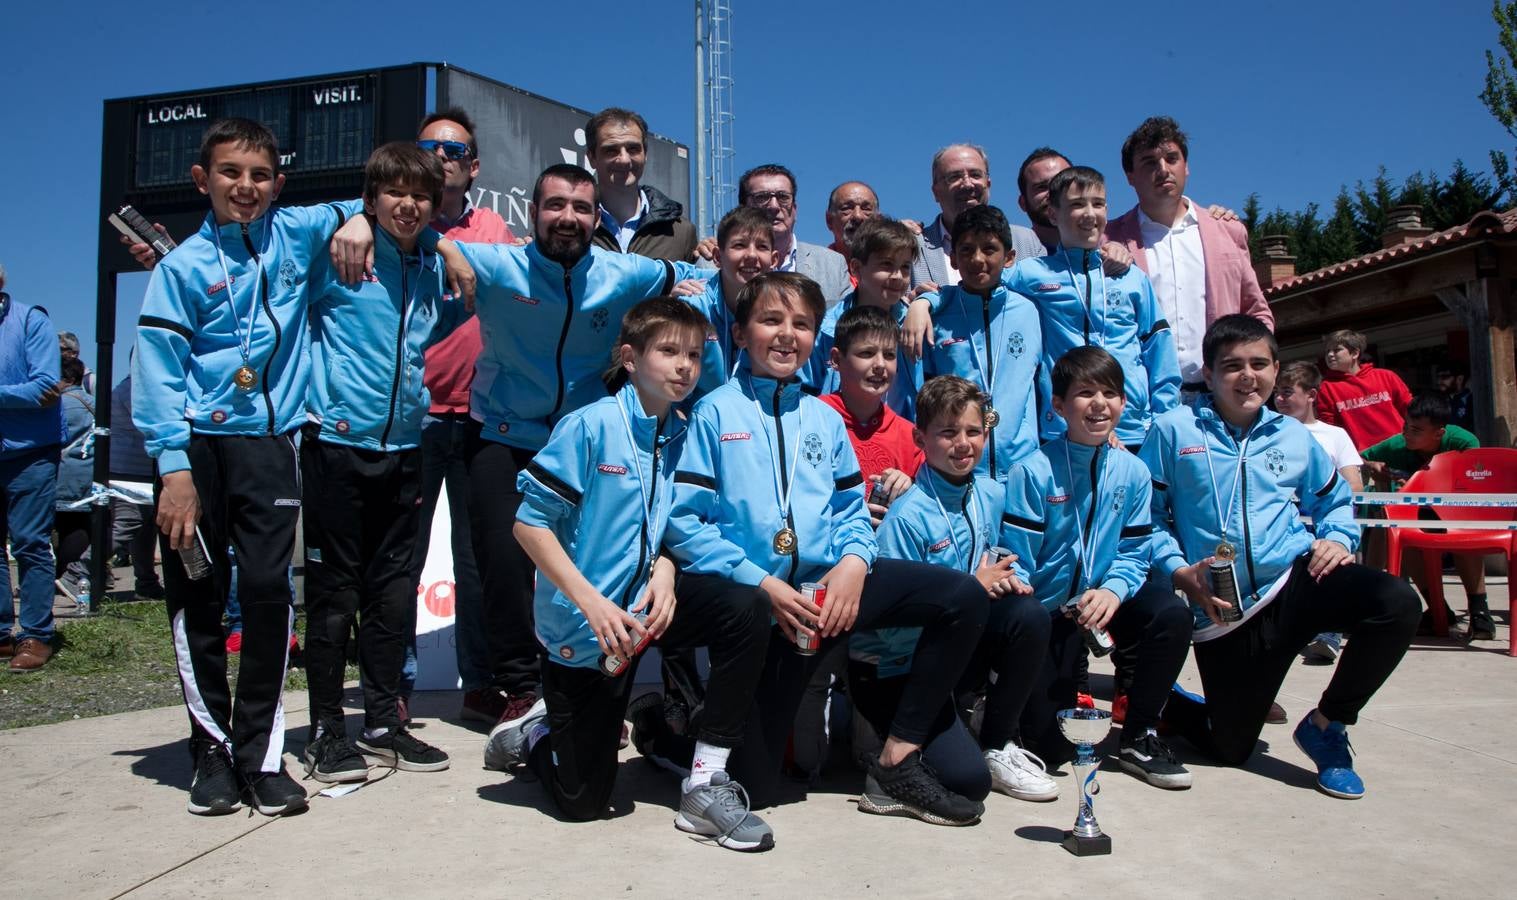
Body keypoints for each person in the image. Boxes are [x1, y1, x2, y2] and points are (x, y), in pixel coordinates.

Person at [132, 118, 451, 816]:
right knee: (199, 600)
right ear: (202, 180)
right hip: (197, 447)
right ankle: (211, 750)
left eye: (259, 175)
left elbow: (384, 210)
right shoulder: (183, 267)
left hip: (272, 443)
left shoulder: (298, 231)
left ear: (278, 183)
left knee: (270, 599)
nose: (245, 187)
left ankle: (261, 754)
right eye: (230, 173)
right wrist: (172, 465)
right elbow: (156, 369)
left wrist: (423, 238)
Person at [332, 164, 706, 739]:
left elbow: (699, 275)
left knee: (588, 561)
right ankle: (521, 689)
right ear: (532, 214)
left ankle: (583, 678)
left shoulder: (623, 272)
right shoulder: (497, 263)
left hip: (582, 443)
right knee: (502, 565)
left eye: (581, 208)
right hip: (503, 436)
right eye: (555, 205)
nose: (568, 218)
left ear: (596, 219)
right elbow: (406, 229)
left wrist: (703, 269)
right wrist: (362, 219)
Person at [662, 271, 990, 826]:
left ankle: (897, 758)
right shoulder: (714, 411)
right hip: (765, 607)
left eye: (801, 324)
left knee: (962, 597)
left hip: (828, 595)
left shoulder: (822, 417)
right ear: (740, 334)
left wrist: (855, 563)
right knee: (758, 787)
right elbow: (685, 523)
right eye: (770, 320)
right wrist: (763, 584)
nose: (786, 334)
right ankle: (667, 734)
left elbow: (848, 512)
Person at [484, 297, 774, 850]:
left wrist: (665, 569)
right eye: (668, 351)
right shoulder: (589, 426)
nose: (684, 366)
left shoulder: (686, 431)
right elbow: (528, 526)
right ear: (630, 357)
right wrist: (592, 603)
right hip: (588, 625)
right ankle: (537, 735)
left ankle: (704, 774)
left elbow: (676, 521)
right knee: (583, 803)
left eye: (694, 354)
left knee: (745, 607)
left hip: (648, 609)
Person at [1142, 314, 1420, 799]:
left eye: (1259, 364)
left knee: (1396, 602)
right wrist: (1179, 570)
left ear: (1275, 370)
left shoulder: (1293, 435)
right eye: (1232, 366)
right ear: (1208, 374)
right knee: (1230, 748)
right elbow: (1147, 516)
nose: (1247, 376)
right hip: (1226, 608)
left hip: (1294, 580)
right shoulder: (1172, 430)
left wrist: (1338, 538)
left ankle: (1327, 725)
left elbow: (1333, 500)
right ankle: (1178, 706)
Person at [299, 143, 466, 783]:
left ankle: (381, 722)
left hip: (403, 449)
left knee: (392, 596)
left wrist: (445, 245)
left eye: (421, 195)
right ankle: (324, 731)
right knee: (334, 596)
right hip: (336, 445)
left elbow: (437, 326)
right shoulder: (340, 253)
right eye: (394, 192)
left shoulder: (427, 266)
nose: (409, 204)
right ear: (371, 198)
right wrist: (352, 217)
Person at [1003, 347, 1194, 789]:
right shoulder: (1033, 471)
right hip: (1052, 611)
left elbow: (1135, 551)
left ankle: (1139, 735)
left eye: (1110, 394)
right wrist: (1038, 615)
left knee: (1171, 613)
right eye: (1085, 393)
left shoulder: (1134, 472)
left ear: (1124, 402)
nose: (1099, 404)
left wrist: (1113, 590)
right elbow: (1018, 560)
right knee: (1053, 750)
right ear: (1058, 405)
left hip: (1107, 601)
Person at [861, 375, 1051, 803]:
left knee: (1029, 615)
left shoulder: (991, 493)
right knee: (967, 782)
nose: (963, 444)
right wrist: (970, 590)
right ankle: (886, 737)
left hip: (964, 650)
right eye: (948, 432)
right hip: (912, 667)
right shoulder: (906, 517)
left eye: (973, 431)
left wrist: (1009, 578)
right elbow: (890, 628)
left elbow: (1007, 556)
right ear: (920, 438)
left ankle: (997, 742)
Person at [411, 108, 516, 725]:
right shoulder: (395, 224)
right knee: (402, 557)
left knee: (479, 562)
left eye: (455, 151)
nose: (443, 158)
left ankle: (483, 684)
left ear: (473, 166)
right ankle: (392, 688)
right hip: (413, 418)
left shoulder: (495, 228)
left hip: (481, 417)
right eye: (431, 147)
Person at [1004, 166, 1180, 448]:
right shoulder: (1031, 274)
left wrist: (1166, 418)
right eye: (1077, 205)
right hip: (1063, 429)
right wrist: (931, 300)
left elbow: (1158, 347)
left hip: (1132, 428)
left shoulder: (1132, 277)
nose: (1089, 213)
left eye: (1097, 204)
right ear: (1053, 214)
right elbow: (978, 286)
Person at [1104, 116, 1274, 396]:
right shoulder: (1107, 240)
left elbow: (1256, 312)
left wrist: (1252, 367)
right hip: (1142, 397)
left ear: (1186, 167)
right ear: (1130, 176)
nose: (1163, 170)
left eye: (1172, 159)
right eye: (1149, 162)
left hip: (1222, 397)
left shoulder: (1228, 231)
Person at [919, 205, 1044, 480]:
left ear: (1009, 257)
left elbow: (1044, 382)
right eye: (966, 250)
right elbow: (921, 391)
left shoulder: (1029, 311)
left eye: (989, 249)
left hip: (1021, 467)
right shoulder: (938, 315)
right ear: (953, 258)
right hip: (958, 468)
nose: (977, 259)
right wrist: (922, 302)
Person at [1360, 393, 1492, 640]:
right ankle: (1439, 610)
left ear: (1439, 433)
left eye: (1416, 430)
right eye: (1405, 426)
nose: (1407, 433)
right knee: (1404, 538)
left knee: (1464, 535)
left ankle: (1479, 612)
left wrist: (1422, 482)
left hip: (1463, 515)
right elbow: (1359, 457)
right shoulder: (1398, 445)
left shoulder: (1464, 442)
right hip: (1422, 517)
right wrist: (1372, 466)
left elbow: (1475, 483)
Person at [1274, 361, 1365, 663]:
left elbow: (1353, 484)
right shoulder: (1267, 433)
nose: (1280, 399)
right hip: (1282, 529)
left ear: (1311, 395)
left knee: (1331, 559)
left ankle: (1328, 634)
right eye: (1277, 392)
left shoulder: (1334, 435)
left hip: (1321, 524)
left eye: (1287, 392)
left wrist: (1318, 497)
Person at [1, 262, 63, 672]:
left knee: (29, 542)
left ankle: (36, 635)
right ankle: (1, 635)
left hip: (31, 452)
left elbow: (46, 387)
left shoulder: (30, 321)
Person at [811, 217, 926, 415]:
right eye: (886, 264)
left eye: (905, 267)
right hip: (841, 431)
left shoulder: (916, 324)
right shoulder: (826, 329)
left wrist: (927, 301)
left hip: (902, 431)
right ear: (856, 268)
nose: (897, 276)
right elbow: (807, 389)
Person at [820, 305, 923, 522]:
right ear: (836, 360)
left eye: (889, 355)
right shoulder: (813, 419)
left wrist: (911, 490)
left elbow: (930, 506)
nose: (880, 365)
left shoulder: (910, 436)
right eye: (866, 353)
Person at [913, 144, 1045, 290]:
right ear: (936, 192)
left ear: (988, 184)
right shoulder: (912, 247)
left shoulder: (1026, 242)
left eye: (975, 175)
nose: (967, 184)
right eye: (954, 177)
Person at [685, 206, 776, 403]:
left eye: (762, 247)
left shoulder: (782, 315)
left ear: (774, 260)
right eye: (739, 245)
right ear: (718, 257)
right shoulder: (691, 310)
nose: (751, 255)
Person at [585, 108, 697, 261]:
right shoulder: (573, 225)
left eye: (633, 149)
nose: (624, 160)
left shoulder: (681, 232)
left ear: (645, 154)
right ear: (591, 158)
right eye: (611, 150)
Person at [737, 165, 851, 304]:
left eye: (783, 197)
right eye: (762, 197)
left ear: (795, 210)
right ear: (742, 209)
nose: (774, 206)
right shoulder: (719, 266)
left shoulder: (832, 264)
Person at [108, 369, 165, 602]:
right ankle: (80, 570)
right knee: (128, 523)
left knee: (145, 529)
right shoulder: (133, 388)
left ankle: (146, 583)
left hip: (138, 469)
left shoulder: (132, 386)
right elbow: (151, 422)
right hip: (127, 471)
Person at [1315, 328, 1412, 451]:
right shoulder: (1326, 388)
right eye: (1327, 351)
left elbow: (1411, 411)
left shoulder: (1386, 376)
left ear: (1355, 353)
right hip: (1363, 457)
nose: (1330, 355)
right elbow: (1331, 429)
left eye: (1337, 350)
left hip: (1402, 447)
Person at [52, 358, 96, 605]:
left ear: (67, 379)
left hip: (64, 473)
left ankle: (64, 577)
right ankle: (79, 578)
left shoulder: (60, 404)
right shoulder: (94, 402)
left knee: (67, 527)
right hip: (90, 473)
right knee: (82, 526)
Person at [825, 181, 880, 262]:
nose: (858, 216)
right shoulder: (813, 266)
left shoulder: (896, 267)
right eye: (847, 208)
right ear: (829, 220)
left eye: (866, 209)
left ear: (878, 221)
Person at [1437, 362, 1475, 431]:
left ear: (1460, 379)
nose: (1439, 381)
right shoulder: (1439, 400)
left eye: (1444, 377)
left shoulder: (1472, 400)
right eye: (1438, 377)